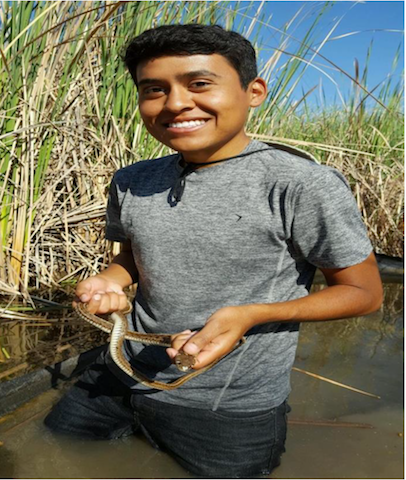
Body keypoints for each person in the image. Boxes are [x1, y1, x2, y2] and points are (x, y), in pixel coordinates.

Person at [44, 24, 383, 478]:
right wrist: (111, 279)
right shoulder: (133, 179)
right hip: (118, 372)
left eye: (200, 84)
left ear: (254, 91)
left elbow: (363, 293)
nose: (177, 103)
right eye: (154, 89)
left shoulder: (301, 184)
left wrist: (248, 314)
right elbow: (134, 256)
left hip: (227, 405)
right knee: (52, 451)